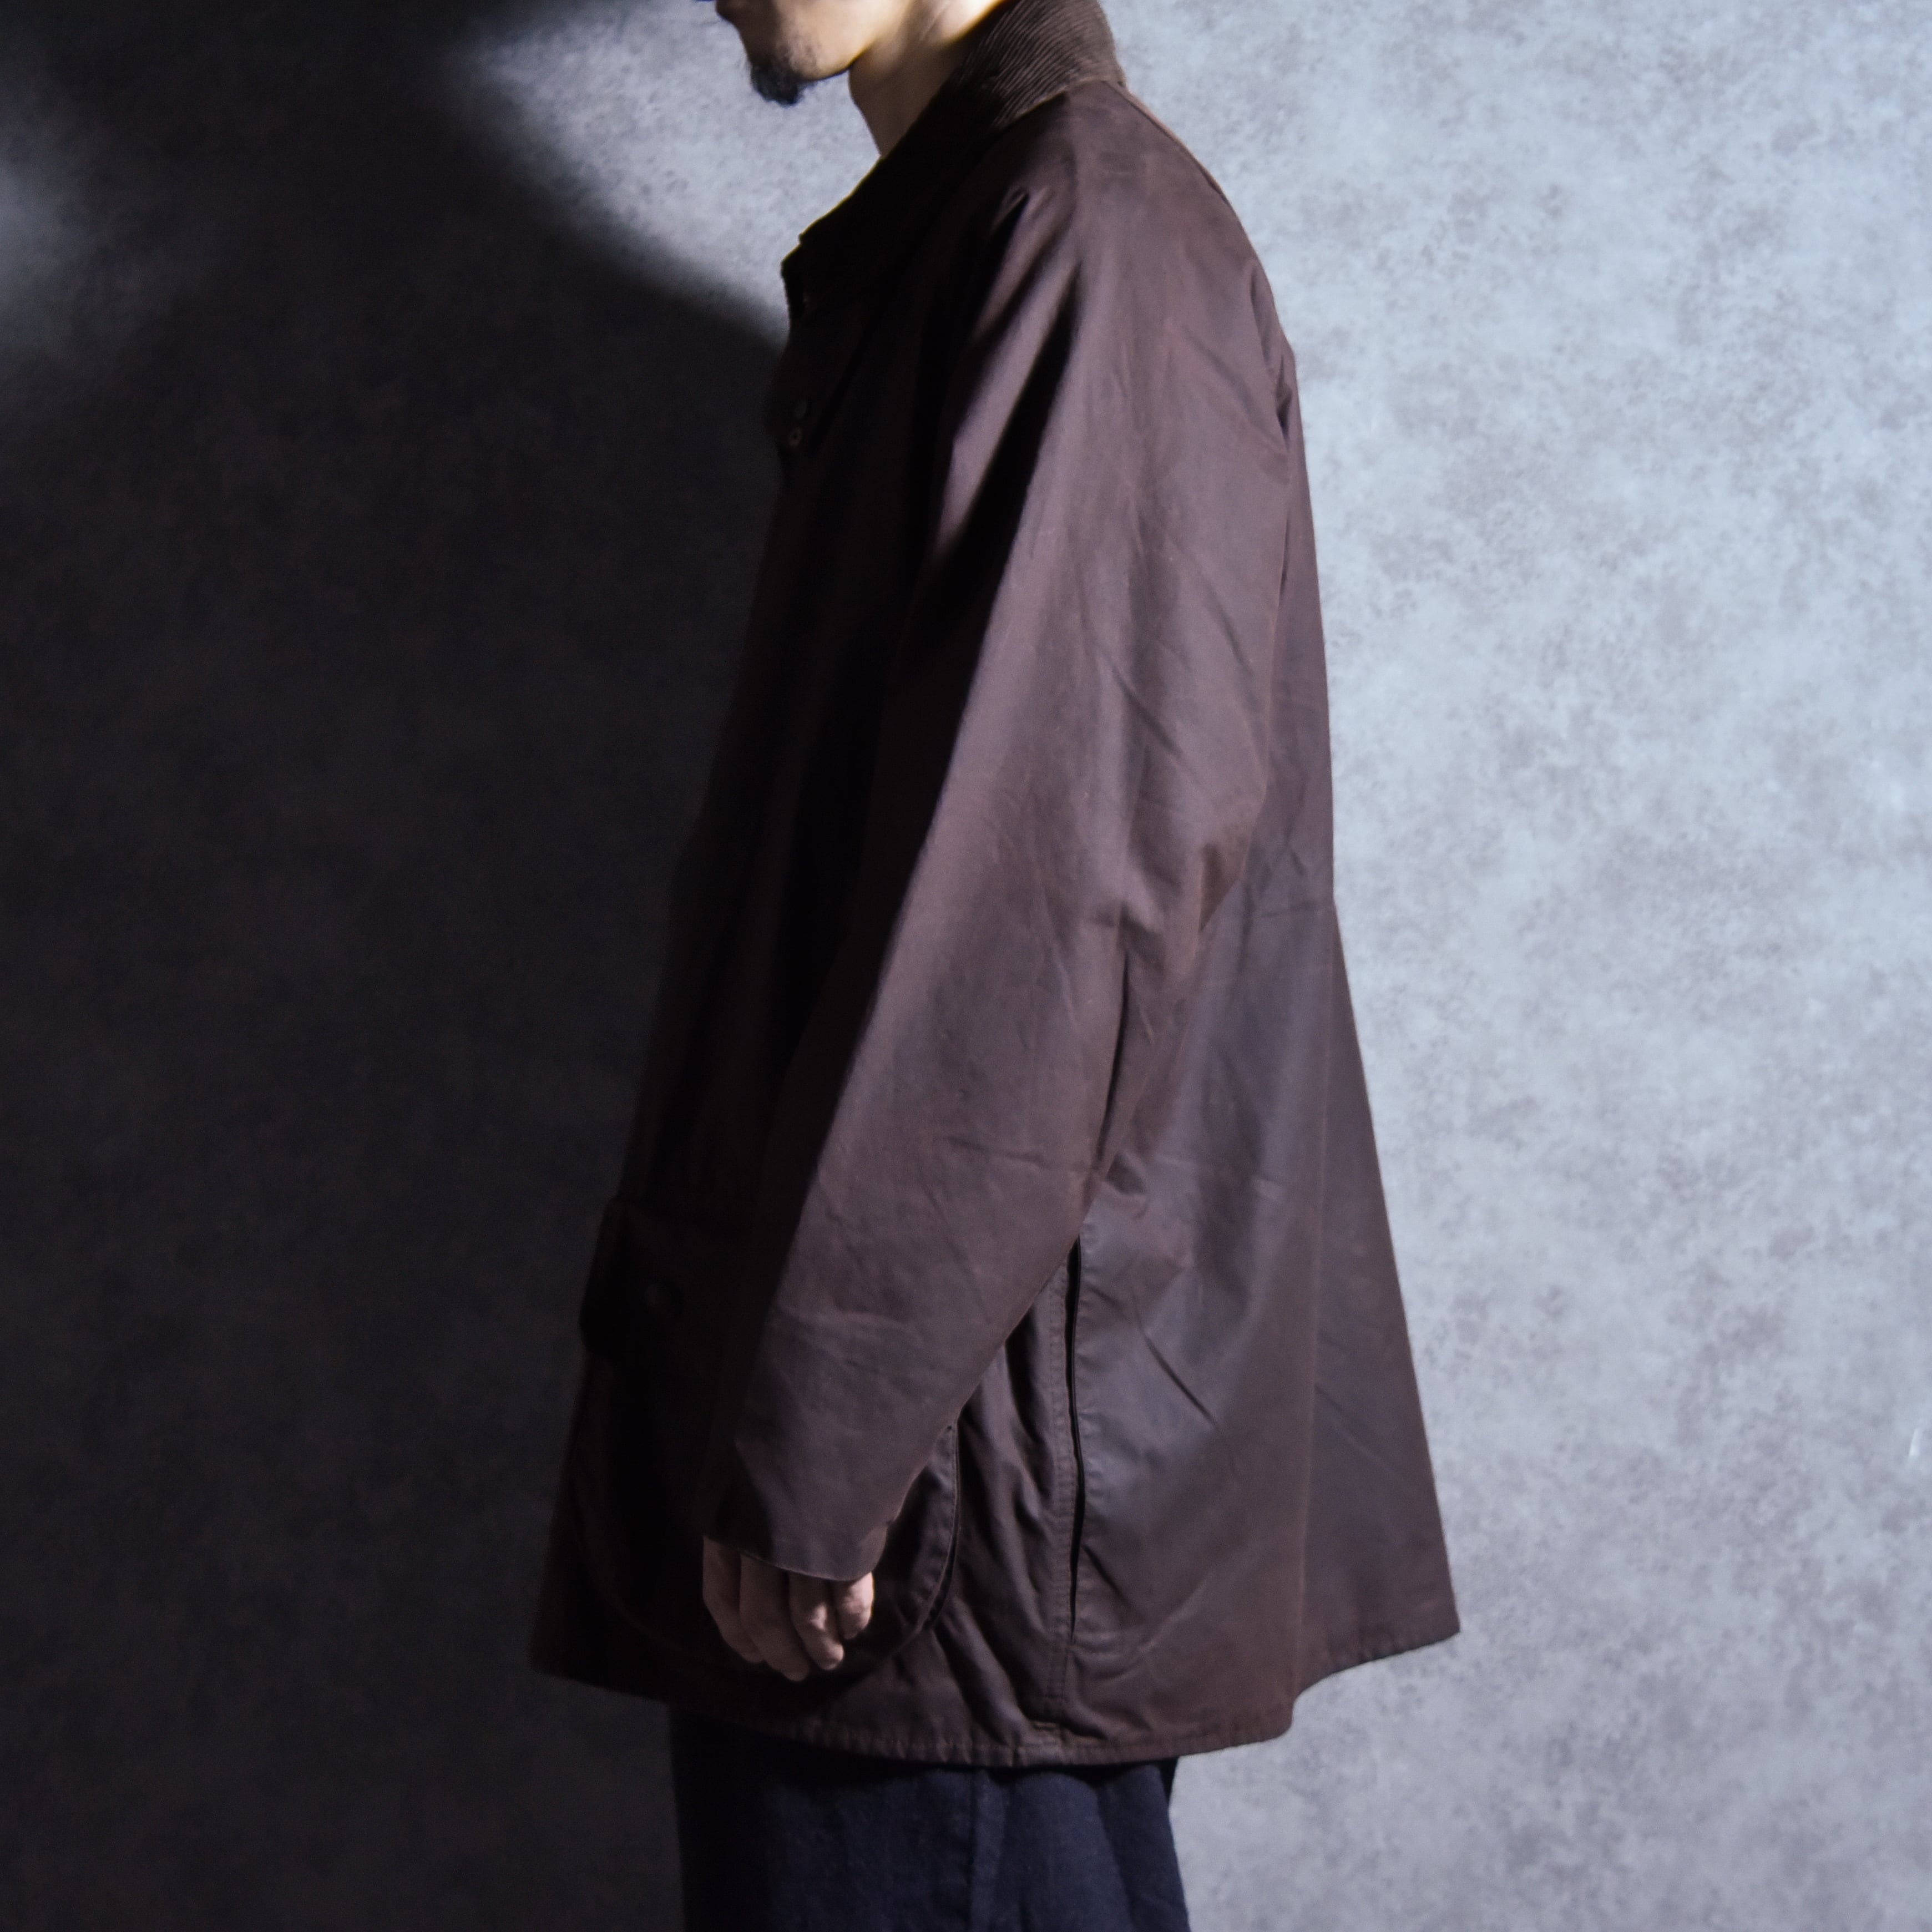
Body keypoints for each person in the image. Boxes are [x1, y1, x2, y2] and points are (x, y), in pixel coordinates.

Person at [530, 0, 1459, 1922]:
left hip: (936, 1494)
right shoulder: (973, 237)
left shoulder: (1082, 232)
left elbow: (1053, 901)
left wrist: (821, 1429)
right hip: (916, 1467)